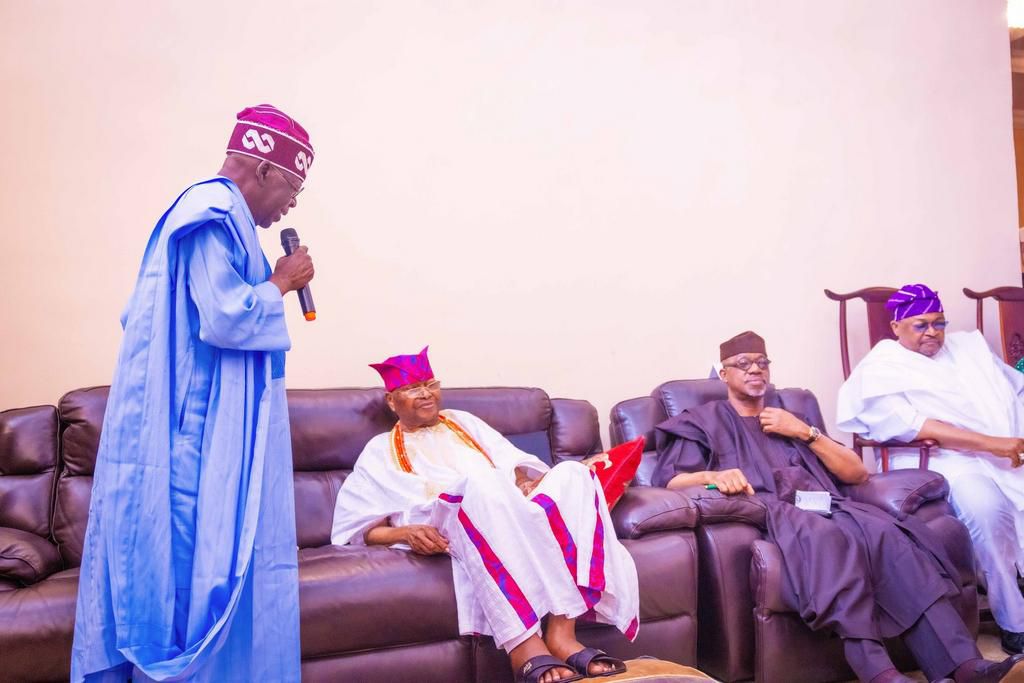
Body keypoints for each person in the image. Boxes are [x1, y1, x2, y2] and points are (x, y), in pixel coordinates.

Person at [71, 104, 316, 682]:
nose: (291, 206)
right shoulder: (210, 214)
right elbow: (225, 317)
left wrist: (271, 280)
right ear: (261, 170)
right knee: (188, 576)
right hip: (193, 443)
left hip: (204, 433)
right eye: (292, 189)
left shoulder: (220, 218)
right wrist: (282, 282)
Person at [654, 331, 1024, 683]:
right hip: (773, 512)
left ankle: (965, 665)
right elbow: (670, 481)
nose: (755, 369)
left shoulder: (791, 416)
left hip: (830, 505)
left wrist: (804, 431)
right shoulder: (704, 421)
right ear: (724, 373)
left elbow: (857, 473)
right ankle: (878, 671)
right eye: (743, 363)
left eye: (762, 362)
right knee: (828, 539)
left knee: (889, 536)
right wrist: (713, 476)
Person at [331, 347, 640, 683]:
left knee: (573, 474)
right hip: (448, 514)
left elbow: (514, 464)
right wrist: (403, 533)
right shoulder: (378, 450)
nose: (425, 394)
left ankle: (562, 633)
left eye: (430, 384)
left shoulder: (464, 422)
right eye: (412, 388)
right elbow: (356, 527)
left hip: (504, 504)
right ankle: (522, 643)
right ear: (392, 401)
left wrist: (522, 482)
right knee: (483, 480)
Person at [837, 283, 1024, 655]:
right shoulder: (882, 367)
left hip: (1005, 452)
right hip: (939, 460)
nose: (933, 333)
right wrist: (994, 444)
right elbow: (918, 425)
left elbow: (1014, 390)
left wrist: (1010, 439)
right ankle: (1014, 620)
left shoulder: (967, 348)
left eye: (939, 323)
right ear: (896, 326)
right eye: (920, 325)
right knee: (988, 510)